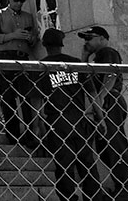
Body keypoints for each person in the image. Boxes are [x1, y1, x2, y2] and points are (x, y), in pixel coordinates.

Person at [34, 28, 108, 201]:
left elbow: (36, 100)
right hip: (79, 120)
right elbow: (92, 94)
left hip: (57, 123)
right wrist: (101, 118)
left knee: (64, 166)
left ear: (44, 45)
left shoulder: (41, 67)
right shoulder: (74, 63)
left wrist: (36, 124)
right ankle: (94, 197)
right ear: (62, 44)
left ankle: (68, 198)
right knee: (87, 164)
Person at [79, 27, 128, 201]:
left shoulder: (107, 52)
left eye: (90, 37)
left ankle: (125, 189)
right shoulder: (96, 58)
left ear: (103, 38)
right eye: (85, 38)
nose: (86, 41)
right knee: (105, 148)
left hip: (110, 101)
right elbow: (86, 80)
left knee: (114, 145)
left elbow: (110, 76)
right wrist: (83, 58)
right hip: (104, 103)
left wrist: (102, 99)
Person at [0, 0, 40, 147]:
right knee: (8, 97)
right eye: (16, 0)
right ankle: (12, 134)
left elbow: (34, 40)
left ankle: (29, 134)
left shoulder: (27, 17)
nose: (18, 4)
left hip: (22, 59)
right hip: (5, 58)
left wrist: (30, 38)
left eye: (21, 1)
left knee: (26, 97)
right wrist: (13, 35)